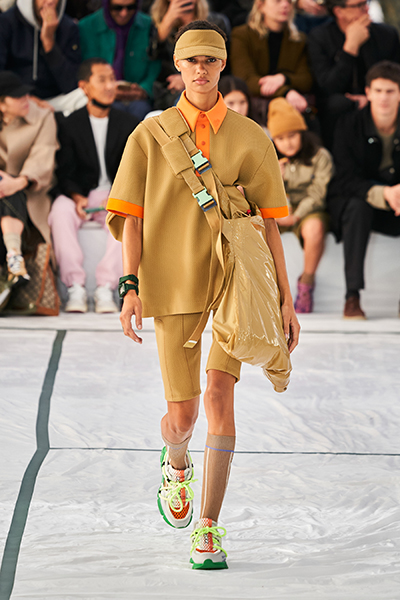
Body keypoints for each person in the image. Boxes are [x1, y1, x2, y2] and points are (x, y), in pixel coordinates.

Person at [106, 20, 300, 568]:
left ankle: (209, 527)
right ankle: (176, 463)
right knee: (183, 417)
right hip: (171, 279)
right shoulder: (150, 135)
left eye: (210, 59)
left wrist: (284, 299)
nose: (200, 69)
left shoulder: (252, 137)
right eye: (191, 59)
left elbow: (267, 225)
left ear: (222, 65)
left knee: (219, 395)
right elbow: (132, 216)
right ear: (177, 66)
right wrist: (129, 286)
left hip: (235, 278)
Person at [48, 58, 139, 313]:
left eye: (112, 79)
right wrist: (76, 197)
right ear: (84, 87)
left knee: (126, 213)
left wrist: (115, 195)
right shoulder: (69, 124)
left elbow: (133, 170)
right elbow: (64, 171)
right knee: (60, 210)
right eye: (102, 80)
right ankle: (75, 286)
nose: (110, 86)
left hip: (114, 194)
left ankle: (106, 288)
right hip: (81, 195)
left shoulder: (128, 123)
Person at [328, 60, 400, 319]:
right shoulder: (349, 125)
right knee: (357, 208)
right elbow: (343, 178)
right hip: (361, 201)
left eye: (390, 91)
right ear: (368, 92)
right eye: (378, 91)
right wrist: (383, 193)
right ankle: (352, 297)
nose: (384, 98)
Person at [267, 97, 333, 313]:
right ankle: (267, 289)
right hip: (278, 210)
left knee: (315, 229)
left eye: (292, 135)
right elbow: (262, 193)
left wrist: (296, 215)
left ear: (302, 133)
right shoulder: (269, 159)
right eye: (280, 138)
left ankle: (306, 283)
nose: (287, 143)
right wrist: (276, 178)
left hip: (308, 211)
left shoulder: (320, 156)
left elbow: (318, 193)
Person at [0, 71, 58, 308]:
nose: (25, 98)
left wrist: (18, 182)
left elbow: (43, 156)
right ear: (2, 104)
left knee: (10, 192)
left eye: (25, 93)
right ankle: (13, 258)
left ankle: (14, 256)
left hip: (31, 192)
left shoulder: (43, 116)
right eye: (17, 96)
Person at [308, 0, 400, 148]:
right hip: (340, 106)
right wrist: (350, 48)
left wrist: (371, 95)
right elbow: (327, 86)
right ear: (339, 11)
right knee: (336, 104)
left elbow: (391, 75)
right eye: (358, 5)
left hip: (379, 96)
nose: (366, 9)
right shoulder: (320, 37)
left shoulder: (387, 34)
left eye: (365, 3)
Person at [230, 0, 313, 122]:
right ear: (261, 5)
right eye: (277, 1)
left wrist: (283, 78)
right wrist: (285, 91)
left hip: (290, 106)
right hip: (255, 104)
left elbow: (306, 79)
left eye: (289, 1)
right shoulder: (242, 35)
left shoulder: (298, 39)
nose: (285, 5)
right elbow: (245, 79)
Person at [79, 0, 161, 121]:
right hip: (100, 95)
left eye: (131, 7)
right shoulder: (86, 26)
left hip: (138, 97)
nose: (124, 13)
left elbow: (155, 62)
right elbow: (83, 67)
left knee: (141, 112)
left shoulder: (148, 24)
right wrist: (106, 88)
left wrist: (144, 89)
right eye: (117, 8)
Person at [0, 0, 84, 114]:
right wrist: (27, 98)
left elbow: (71, 84)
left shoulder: (68, 27)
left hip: (56, 100)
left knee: (85, 95)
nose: (50, 2)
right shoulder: (6, 22)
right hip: (19, 99)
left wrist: (49, 42)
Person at [148, 0, 230, 110]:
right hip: (167, 88)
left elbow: (224, 63)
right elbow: (149, 58)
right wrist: (167, 22)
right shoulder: (154, 22)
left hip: (209, 83)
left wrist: (187, 78)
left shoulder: (217, 22)